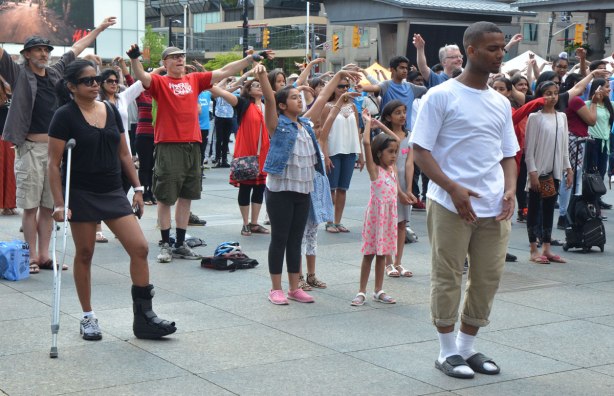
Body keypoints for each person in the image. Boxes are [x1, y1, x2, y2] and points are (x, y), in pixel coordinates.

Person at [411, 21, 519, 379]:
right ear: (470, 51)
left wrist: (510, 188)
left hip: (493, 205)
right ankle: (446, 352)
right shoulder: (441, 96)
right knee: (448, 277)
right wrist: (452, 187)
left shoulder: (500, 102)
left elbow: (508, 154)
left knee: (488, 277)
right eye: (492, 48)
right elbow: (420, 150)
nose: (500, 54)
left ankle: (466, 347)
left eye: (502, 48)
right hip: (449, 203)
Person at [48, 59, 176, 341]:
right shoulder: (64, 116)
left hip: (111, 190)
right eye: (88, 81)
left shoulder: (110, 109)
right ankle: (87, 317)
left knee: (140, 247)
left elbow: (123, 154)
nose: (95, 84)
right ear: (71, 86)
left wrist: (138, 189)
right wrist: (59, 204)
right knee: (84, 254)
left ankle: (145, 317)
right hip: (80, 191)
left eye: (96, 79)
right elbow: (53, 163)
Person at [128, 44, 274, 263]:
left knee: (187, 195)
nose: (179, 59)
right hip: (169, 145)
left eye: (182, 56)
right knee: (166, 198)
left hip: (193, 145)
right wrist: (134, 59)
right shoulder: (160, 82)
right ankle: (166, 244)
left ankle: (180, 244)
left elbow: (225, 71)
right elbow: (141, 76)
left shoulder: (194, 79)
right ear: (165, 62)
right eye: (174, 57)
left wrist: (251, 58)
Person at [0, 17, 116, 275]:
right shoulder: (18, 73)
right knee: (29, 207)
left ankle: (44, 256)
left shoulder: (55, 73)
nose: (43, 53)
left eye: (46, 50)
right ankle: (30, 257)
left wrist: (99, 28)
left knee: (49, 207)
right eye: (37, 50)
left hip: (55, 153)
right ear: (27, 54)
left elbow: (77, 48)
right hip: (29, 149)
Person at [260, 66, 360, 305]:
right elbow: (269, 101)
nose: (300, 100)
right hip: (280, 191)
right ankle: (276, 288)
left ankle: (295, 288)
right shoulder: (277, 124)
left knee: (296, 240)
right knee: (280, 239)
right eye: (294, 97)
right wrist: (263, 75)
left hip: (304, 190)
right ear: (283, 105)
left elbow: (324, 96)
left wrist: (339, 76)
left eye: (300, 96)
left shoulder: (305, 124)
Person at [350, 110, 401, 306]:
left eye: (395, 152)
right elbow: (366, 144)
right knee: (369, 255)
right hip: (376, 218)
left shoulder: (392, 169)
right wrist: (368, 125)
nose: (394, 156)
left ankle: (378, 289)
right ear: (379, 153)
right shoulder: (375, 170)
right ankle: (361, 290)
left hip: (388, 218)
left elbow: (396, 138)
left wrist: (381, 127)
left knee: (383, 255)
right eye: (390, 152)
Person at [524, 81, 573, 264]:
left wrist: (568, 168)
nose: (552, 96)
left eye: (555, 93)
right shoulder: (535, 118)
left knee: (548, 209)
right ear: (540, 95)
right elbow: (529, 150)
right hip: (539, 171)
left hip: (556, 171)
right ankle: (533, 249)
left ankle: (546, 247)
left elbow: (564, 147)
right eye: (548, 93)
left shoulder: (562, 117)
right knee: (535, 209)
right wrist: (533, 172)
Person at [220, 67, 271, 236]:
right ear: (248, 90)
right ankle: (245, 223)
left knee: (260, 188)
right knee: (245, 188)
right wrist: (242, 78)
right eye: (255, 85)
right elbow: (222, 92)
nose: (259, 86)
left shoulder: (268, 105)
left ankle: (255, 223)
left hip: (264, 153)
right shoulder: (242, 104)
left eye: (260, 84)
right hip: (246, 153)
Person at [377, 100, 417, 277]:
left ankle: (398, 262)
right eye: (397, 112)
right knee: (388, 224)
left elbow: (410, 163)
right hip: (388, 184)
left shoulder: (410, 135)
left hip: (403, 183)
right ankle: (388, 263)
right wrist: (399, 191)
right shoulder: (385, 138)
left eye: (404, 112)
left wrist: (409, 189)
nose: (402, 116)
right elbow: (389, 166)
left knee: (401, 224)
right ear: (388, 116)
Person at [320, 76, 364, 233]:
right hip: (333, 151)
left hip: (350, 151)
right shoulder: (327, 107)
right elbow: (322, 134)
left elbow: (358, 131)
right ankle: (329, 221)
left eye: (347, 86)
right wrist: (325, 155)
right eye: (340, 86)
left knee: (343, 189)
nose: (345, 89)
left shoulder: (353, 107)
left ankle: (338, 221)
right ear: (333, 88)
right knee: (331, 189)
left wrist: (361, 155)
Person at [585, 79, 614, 210]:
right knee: (592, 174)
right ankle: (590, 202)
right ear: (598, 89)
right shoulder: (588, 104)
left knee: (601, 173)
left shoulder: (611, 105)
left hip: (605, 143)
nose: (610, 89)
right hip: (592, 142)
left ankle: (597, 199)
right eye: (607, 87)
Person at [0, 73, 17, 216]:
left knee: (10, 172)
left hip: (9, 138)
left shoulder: (11, 98)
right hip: (3, 138)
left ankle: (9, 204)